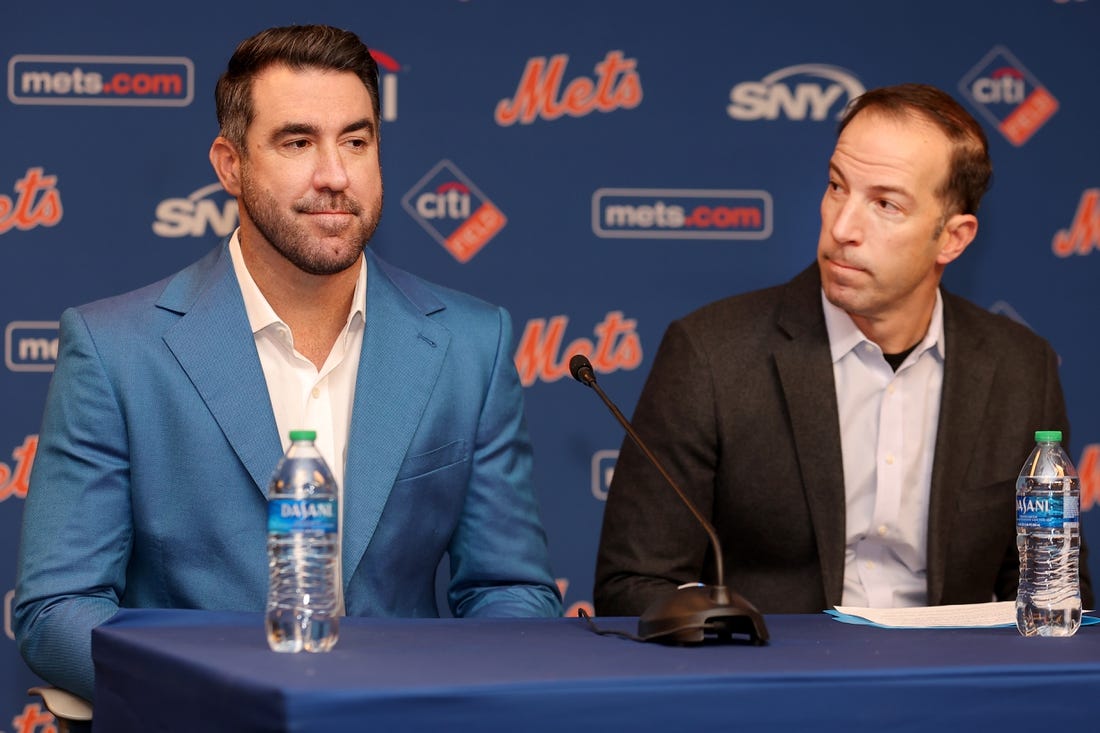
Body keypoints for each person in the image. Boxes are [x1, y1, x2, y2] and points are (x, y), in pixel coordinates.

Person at [15, 24, 562, 704]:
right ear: (230, 164)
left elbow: (511, 589)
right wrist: (230, 695)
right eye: (298, 142)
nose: (334, 175)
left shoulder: (470, 345)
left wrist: (430, 695)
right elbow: (56, 611)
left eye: (356, 142)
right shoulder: (116, 348)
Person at [594, 83, 1093, 617]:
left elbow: (1053, 588)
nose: (842, 227)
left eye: (885, 204)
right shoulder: (712, 354)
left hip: (951, 687)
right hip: (776, 684)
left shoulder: (1021, 368)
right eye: (837, 187)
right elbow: (635, 583)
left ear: (953, 238)